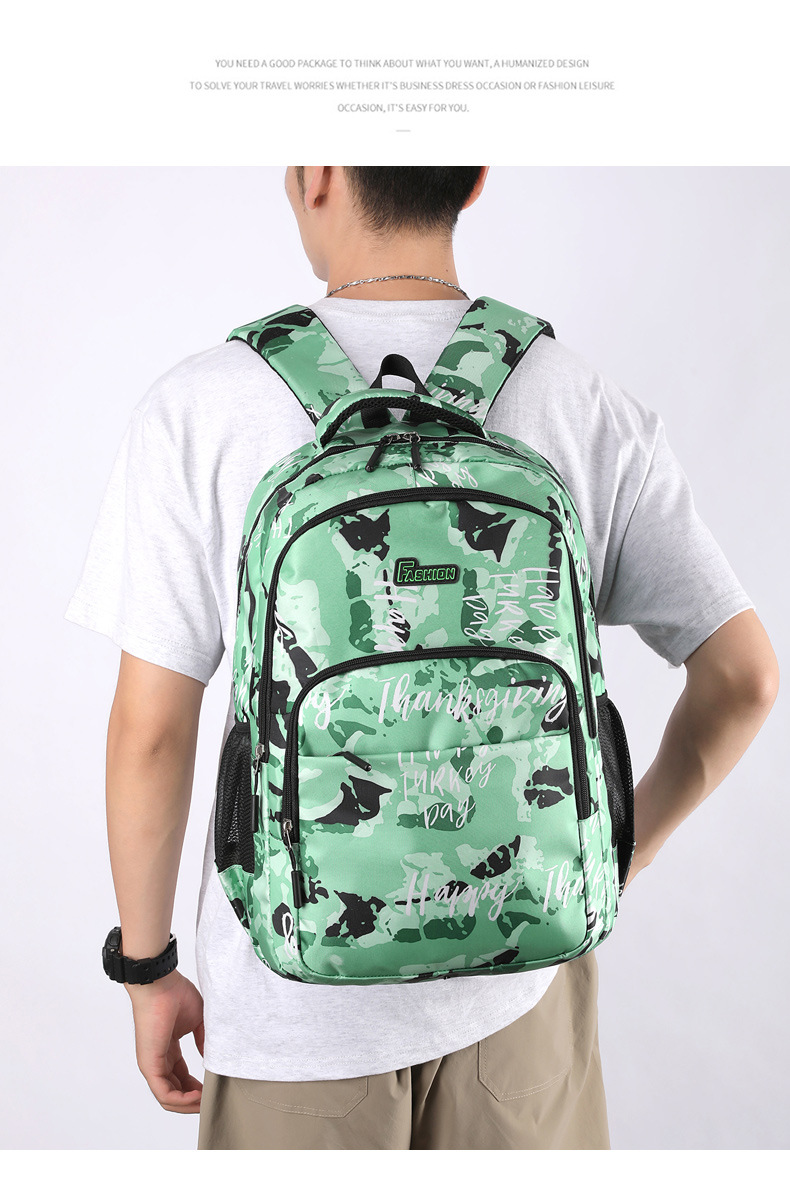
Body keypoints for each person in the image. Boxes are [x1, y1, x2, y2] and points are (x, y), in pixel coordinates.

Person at [65, 166, 779, 1151]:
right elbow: (745, 678)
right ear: (474, 180)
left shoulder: (199, 407)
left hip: (292, 1015)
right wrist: (618, 852)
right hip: (524, 990)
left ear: (315, 174)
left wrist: (147, 971)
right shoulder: (579, 400)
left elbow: (149, 734)